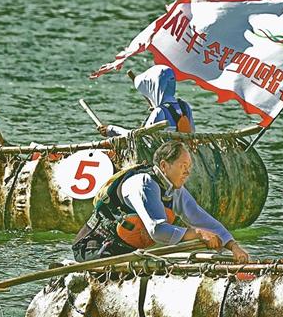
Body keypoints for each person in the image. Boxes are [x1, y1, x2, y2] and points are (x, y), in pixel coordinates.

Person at [73, 140, 249, 263]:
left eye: (189, 167)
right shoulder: (144, 183)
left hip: (127, 253)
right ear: (164, 166)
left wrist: (233, 246)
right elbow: (157, 231)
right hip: (94, 249)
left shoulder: (175, 190)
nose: (187, 172)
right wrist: (199, 234)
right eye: (183, 166)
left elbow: (200, 218)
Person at [99, 65, 195, 137]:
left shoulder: (159, 112)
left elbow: (138, 138)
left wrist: (111, 130)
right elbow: (192, 134)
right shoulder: (184, 107)